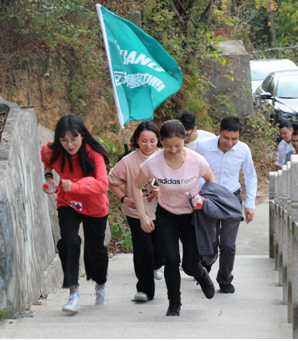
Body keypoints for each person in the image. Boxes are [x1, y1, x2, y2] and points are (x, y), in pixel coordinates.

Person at [132, 119, 216, 317]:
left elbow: (211, 181)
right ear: (161, 142)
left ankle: (201, 274)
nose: (173, 150)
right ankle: (174, 303)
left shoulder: (196, 160)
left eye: (178, 145)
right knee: (171, 260)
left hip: (191, 216)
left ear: (185, 140)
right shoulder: (153, 162)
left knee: (189, 265)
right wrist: (143, 216)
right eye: (168, 146)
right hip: (166, 215)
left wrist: (202, 198)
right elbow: (136, 186)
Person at [41, 114, 110, 315]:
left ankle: (100, 286)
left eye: (74, 139)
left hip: (94, 205)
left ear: (82, 136)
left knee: (95, 250)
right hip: (67, 203)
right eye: (64, 140)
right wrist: (49, 178)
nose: (69, 144)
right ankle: (74, 293)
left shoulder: (93, 153)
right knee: (69, 242)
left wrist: (76, 185)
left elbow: (102, 184)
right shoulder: (51, 150)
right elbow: (46, 158)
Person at [195, 116, 257, 294]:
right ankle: (204, 268)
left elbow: (250, 176)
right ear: (218, 132)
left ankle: (224, 279)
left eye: (234, 139)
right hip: (208, 198)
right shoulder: (204, 147)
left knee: (228, 245)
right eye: (226, 138)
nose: (230, 143)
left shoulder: (243, 150)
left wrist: (249, 204)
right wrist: (198, 195)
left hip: (231, 199)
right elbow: (195, 172)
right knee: (210, 244)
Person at [108, 121, 164, 303]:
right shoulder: (128, 161)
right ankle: (144, 290)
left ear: (158, 141)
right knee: (143, 250)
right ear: (136, 141)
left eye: (152, 141)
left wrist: (161, 191)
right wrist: (124, 198)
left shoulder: (165, 158)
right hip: (135, 212)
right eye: (144, 141)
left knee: (160, 249)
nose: (148, 145)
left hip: (161, 211)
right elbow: (112, 181)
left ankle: (158, 264)